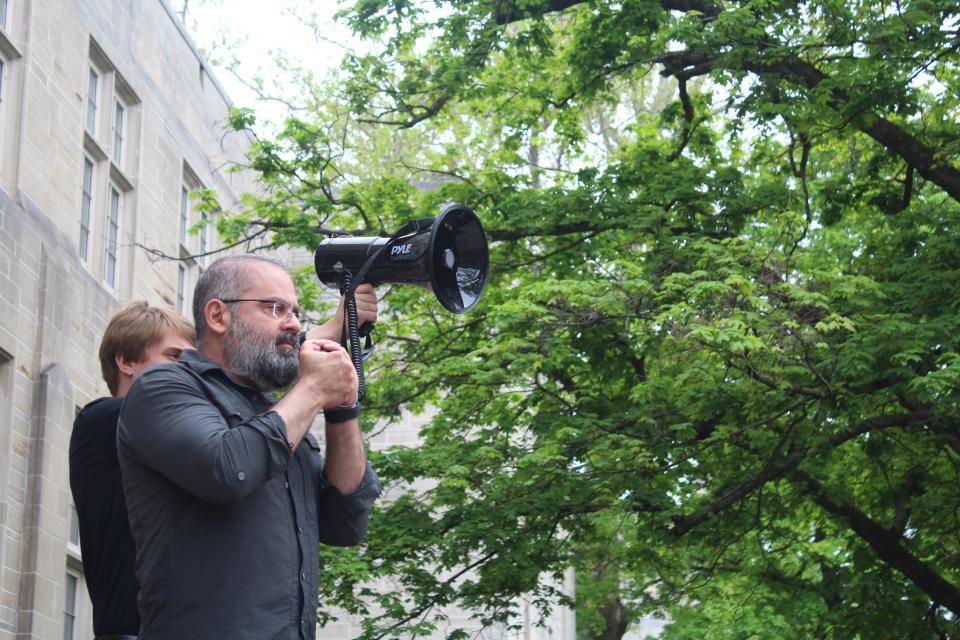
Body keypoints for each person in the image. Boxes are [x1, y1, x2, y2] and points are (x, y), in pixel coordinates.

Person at [117, 255, 382, 640]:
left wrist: (342, 407)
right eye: (275, 307)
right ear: (217, 315)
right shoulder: (164, 387)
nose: (293, 323)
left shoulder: (276, 413)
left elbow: (346, 524)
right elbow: (227, 470)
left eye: (296, 311)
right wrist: (310, 391)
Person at [69, 302, 196, 640]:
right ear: (125, 361)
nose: (191, 372)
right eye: (174, 357)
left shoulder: (185, 442)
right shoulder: (102, 419)